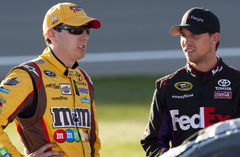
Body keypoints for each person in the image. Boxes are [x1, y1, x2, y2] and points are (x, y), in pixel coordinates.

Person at [0, 2, 101, 157]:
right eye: (76, 30)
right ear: (52, 34)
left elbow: (93, 142)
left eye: (87, 30)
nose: (85, 36)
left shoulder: (83, 78)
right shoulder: (28, 76)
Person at [140, 7, 240, 157]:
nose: (187, 42)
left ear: (214, 37)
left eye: (194, 35)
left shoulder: (237, 82)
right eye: (183, 35)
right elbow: (153, 142)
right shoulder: (167, 86)